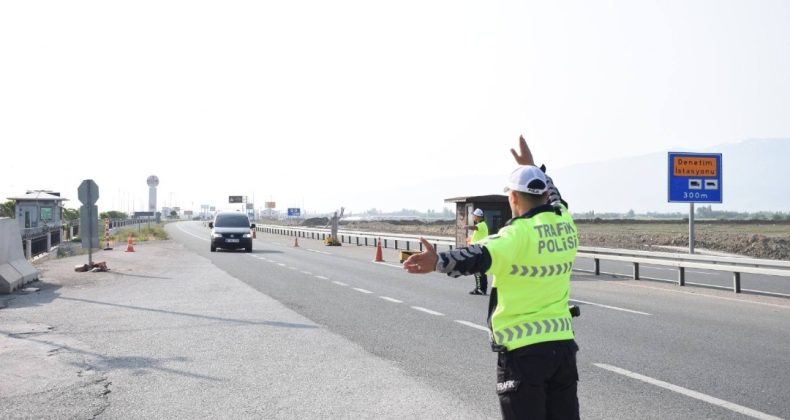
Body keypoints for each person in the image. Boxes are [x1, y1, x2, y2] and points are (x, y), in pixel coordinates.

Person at [403, 136, 579, 420]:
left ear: (512, 198)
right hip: (563, 349)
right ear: (545, 196)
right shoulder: (565, 223)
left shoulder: (517, 235)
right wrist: (534, 167)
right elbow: (557, 198)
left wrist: (438, 261)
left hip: (523, 353)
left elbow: (477, 256)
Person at [466, 208, 489, 295]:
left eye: (474, 215)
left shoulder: (481, 224)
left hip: (478, 250)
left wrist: (467, 226)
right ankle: (480, 289)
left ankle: (481, 289)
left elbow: (474, 227)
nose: (473, 217)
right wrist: (470, 240)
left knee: (478, 270)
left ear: (477, 216)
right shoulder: (482, 225)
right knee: (480, 270)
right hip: (478, 250)